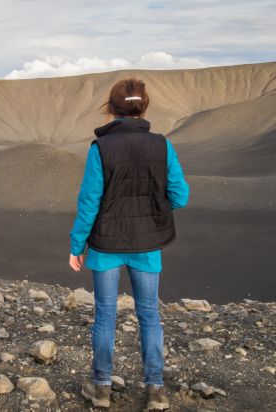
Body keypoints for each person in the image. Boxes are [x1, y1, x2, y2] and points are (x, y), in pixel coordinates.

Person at [69, 78, 190, 410]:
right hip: (147, 244)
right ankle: (155, 391)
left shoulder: (100, 148)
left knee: (105, 316)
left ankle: (101, 389)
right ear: (143, 106)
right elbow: (180, 196)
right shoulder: (162, 145)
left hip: (106, 245)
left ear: (111, 108)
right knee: (149, 315)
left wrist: (77, 245)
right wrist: (154, 208)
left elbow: (89, 201)